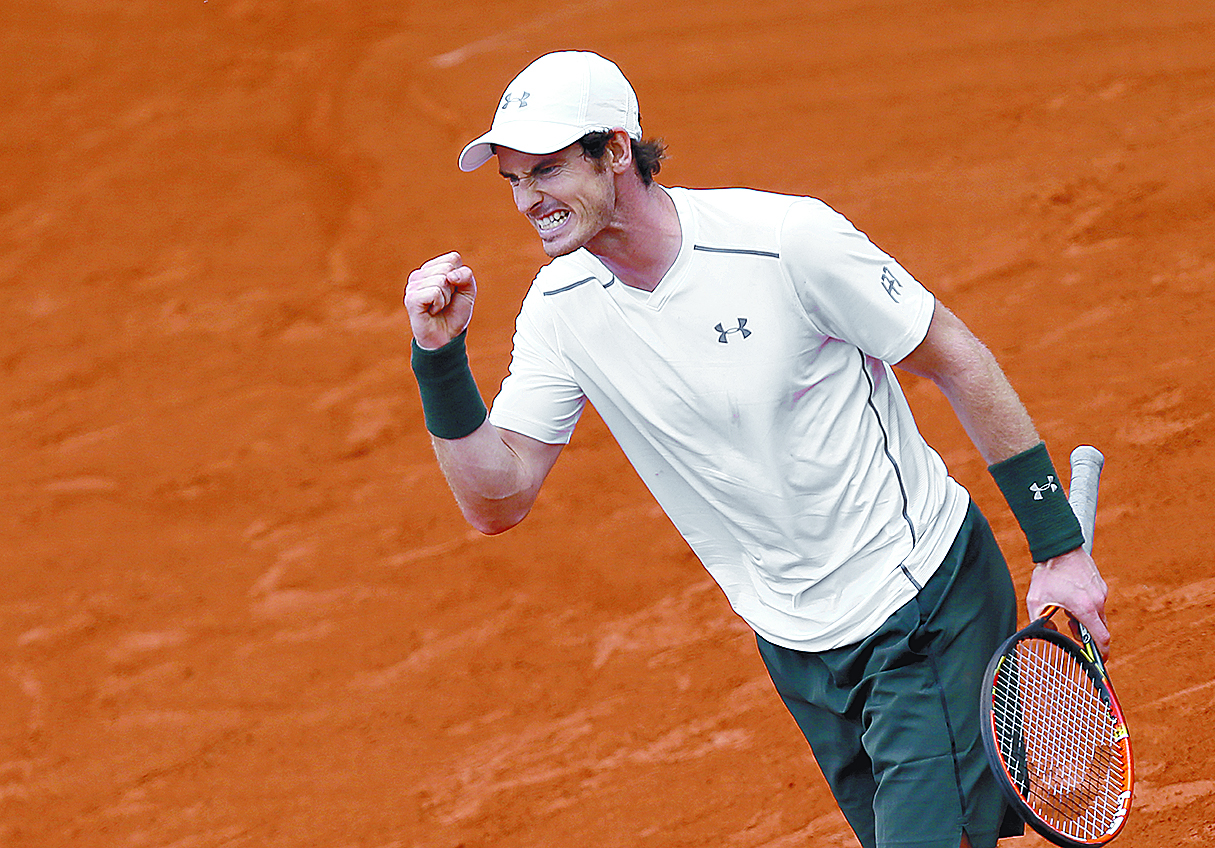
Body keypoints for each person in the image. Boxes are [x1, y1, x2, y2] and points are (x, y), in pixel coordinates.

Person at [404, 50, 1111, 848]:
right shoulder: (559, 309)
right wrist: (440, 360)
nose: (528, 199)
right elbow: (497, 499)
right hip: (795, 642)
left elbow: (956, 357)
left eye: (547, 170)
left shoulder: (785, 243)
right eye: (514, 180)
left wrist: (1058, 545)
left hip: (919, 601)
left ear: (617, 150)